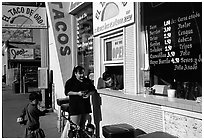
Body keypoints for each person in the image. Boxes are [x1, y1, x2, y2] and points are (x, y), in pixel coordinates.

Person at [64, 66, 96, 135]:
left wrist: (89, 94)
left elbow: (93, 90)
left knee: (82, 127)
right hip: (75, 106)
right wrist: (77, 93)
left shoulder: (87, 81)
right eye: (80, 73)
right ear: (75, 73)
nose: (82, 75)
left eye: (83, 73)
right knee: (74, 128)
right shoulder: (70, 82)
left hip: (85, 106)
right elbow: (67, 92)